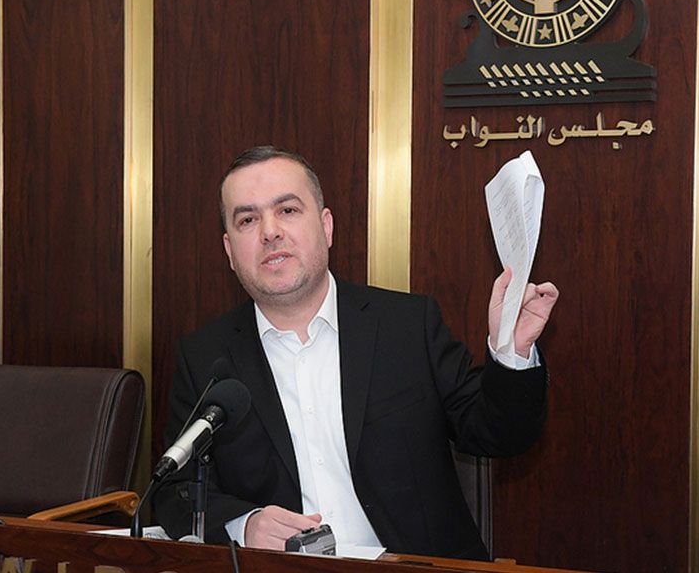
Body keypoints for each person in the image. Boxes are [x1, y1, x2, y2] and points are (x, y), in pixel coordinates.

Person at [153, 146, 559, 560]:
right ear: (229, 251)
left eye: (288, 210)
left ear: (326, 226)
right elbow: (172, 491)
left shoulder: (407, 326)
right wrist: (245, 523)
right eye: (247, 219)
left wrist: (511, 351)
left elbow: (499, 433)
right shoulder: (205, 357)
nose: (270, 231)